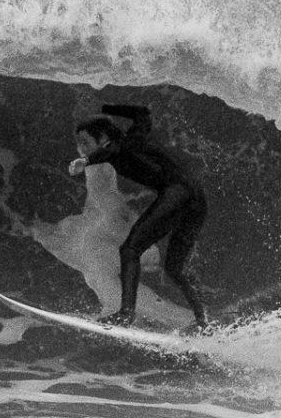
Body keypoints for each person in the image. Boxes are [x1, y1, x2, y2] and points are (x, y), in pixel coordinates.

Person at [67, 104, 210, 329]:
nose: (81, 148)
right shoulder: (134, 135)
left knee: (129, 250)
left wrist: (86, 162)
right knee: (173, 268)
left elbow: (111, 151)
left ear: (102, 137)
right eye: (79, 144)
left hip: (178, 193)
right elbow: (142, 113)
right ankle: (203, 319)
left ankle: (125, 314)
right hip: (196, 200)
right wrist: (107, 108)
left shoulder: (117, 146)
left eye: (85, 143)